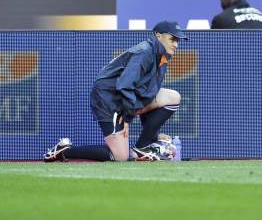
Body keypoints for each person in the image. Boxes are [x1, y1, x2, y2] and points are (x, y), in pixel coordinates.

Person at [44, 20, 187, 162]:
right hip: (108, 99)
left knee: (172, 97)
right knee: (120, 156)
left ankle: (142, 147)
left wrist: (153, 136)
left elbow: (146, 95)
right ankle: (65, 151)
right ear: (158, 35)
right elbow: (124, 85)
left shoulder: (161, 58)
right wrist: (127, 115)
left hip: (123, 97)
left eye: (178, 40)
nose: (176, 44)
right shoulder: (145, 52)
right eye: (172, 39)